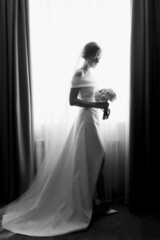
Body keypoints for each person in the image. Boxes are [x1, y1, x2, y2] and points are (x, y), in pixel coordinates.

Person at [0, 41, 117, 238]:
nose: (99, 59)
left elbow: (91, 97)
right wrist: (95, 106)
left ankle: (98, 202)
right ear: (88, 54)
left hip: (94, 119)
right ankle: (91, 202)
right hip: (86, 122)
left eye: (100, 55)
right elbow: (72, 101)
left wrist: (103, 104)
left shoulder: (91, 74)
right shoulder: (79, 74)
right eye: (97, 55)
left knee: (97, 158)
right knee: (98, 157)